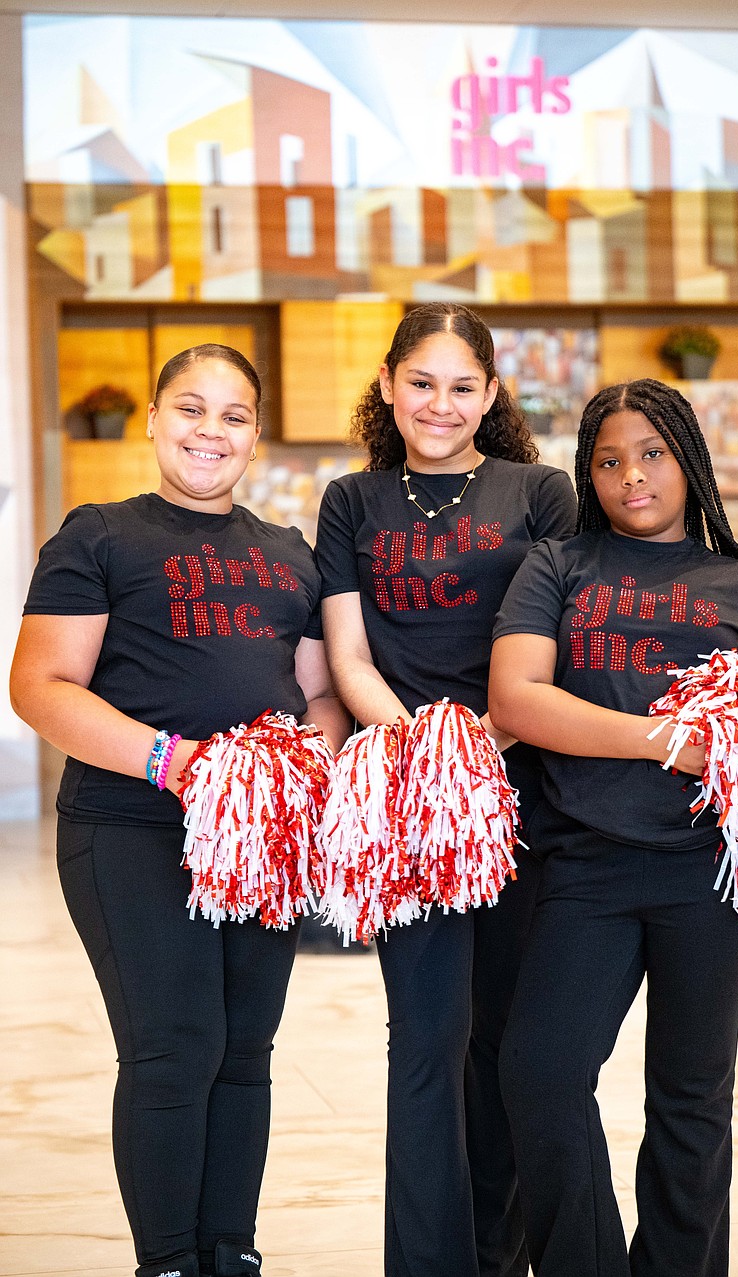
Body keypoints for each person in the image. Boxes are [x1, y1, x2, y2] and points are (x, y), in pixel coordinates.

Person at [488, 377, 738, 1276]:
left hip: (708, 872)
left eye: (652, 454)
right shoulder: (559, 568)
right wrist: (670, 741)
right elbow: (518, 699)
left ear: (688, 460)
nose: (631, 476)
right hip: (583, 866)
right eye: (608, 460)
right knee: (538, 1074)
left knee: (691, 1098)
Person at [9, 344, 349, 1277]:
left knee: (244, 1049)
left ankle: (229, 1253)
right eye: (191, 409)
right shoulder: (100, 535)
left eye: (234, 415)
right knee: (175, 1044)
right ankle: (165, 1262)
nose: (211, 430)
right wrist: (184, 764)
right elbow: (40, 686)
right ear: (154, 419)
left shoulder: (289, 555)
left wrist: (292, 766)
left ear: (256, 437)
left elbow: (319, 697)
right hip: (132, 828)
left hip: (260, 839)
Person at [314, 301, 578, 1277]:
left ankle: (497, 1257)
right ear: (387, 385)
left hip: (527, 799)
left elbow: (563, 644)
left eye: (462, 385)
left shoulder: (539, 491)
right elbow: (347, 652)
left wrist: (489, 737)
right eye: (420, 382)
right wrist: (427, 746)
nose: (440, 403)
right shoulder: (352, 500)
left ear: (491, 394)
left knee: (505, 1043)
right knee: (425, 1039)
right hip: (410, 801)